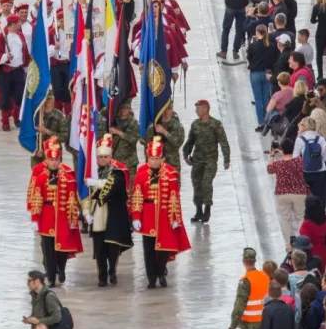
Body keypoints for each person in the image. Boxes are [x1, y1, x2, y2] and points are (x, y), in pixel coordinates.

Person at [131, 136, 190, 288]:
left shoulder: (171, 174)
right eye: (152, 158)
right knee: (148, 250)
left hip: (164, 216)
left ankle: (161, 271)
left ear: (162, 158)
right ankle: (151, 278)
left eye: (157, 158)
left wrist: (175, 217)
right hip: (148, 215)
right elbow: (137, 195)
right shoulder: (142, 173)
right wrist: (136, 216)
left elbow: (174, 197)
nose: (154, 161)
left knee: (164, 248)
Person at [27, 137, 83, 285]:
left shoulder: (68, 176)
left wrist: (74, 214)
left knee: (62, 246)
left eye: (57, 159)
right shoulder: (40, 177)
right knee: (48, 249)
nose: (54, 162)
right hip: (46, 215)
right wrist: (34, 217)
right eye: (51, 160)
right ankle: (51, 276)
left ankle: (62, 269)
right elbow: (36, 197)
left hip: (63, 215)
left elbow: (72, 197)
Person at [83, 135, 134, 286]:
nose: (103, 159)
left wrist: (97, 183)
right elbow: (86, 195)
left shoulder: (118, 171)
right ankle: (102, 276)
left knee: (113, 246)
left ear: (111, 156)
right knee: (99, 249)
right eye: (100, 157)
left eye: (106, 156)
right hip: (97, 213)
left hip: (114, 214)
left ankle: (112, 270)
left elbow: (113, 186)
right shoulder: (91, 172)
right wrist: (86, 212)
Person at [182, 99, 230, 223]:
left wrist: (226, 159)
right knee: (196, 184)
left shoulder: (215, 124)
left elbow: (223, 142)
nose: (197, 111)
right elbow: (190, 141)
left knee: (206, 183)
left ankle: (207, 209)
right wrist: (186, 154)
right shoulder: (195, 124)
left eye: (199, 108)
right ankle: (198, 210)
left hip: (210, 160)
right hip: (197, 160)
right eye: (196, 108)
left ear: (205, 109)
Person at [228, 248, 270, 329]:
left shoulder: (245, 281)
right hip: (265, 324)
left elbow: (239, 306)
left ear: (244, 261)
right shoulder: (265, 277)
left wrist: (232, 327)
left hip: (249, 327)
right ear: (254, 260)